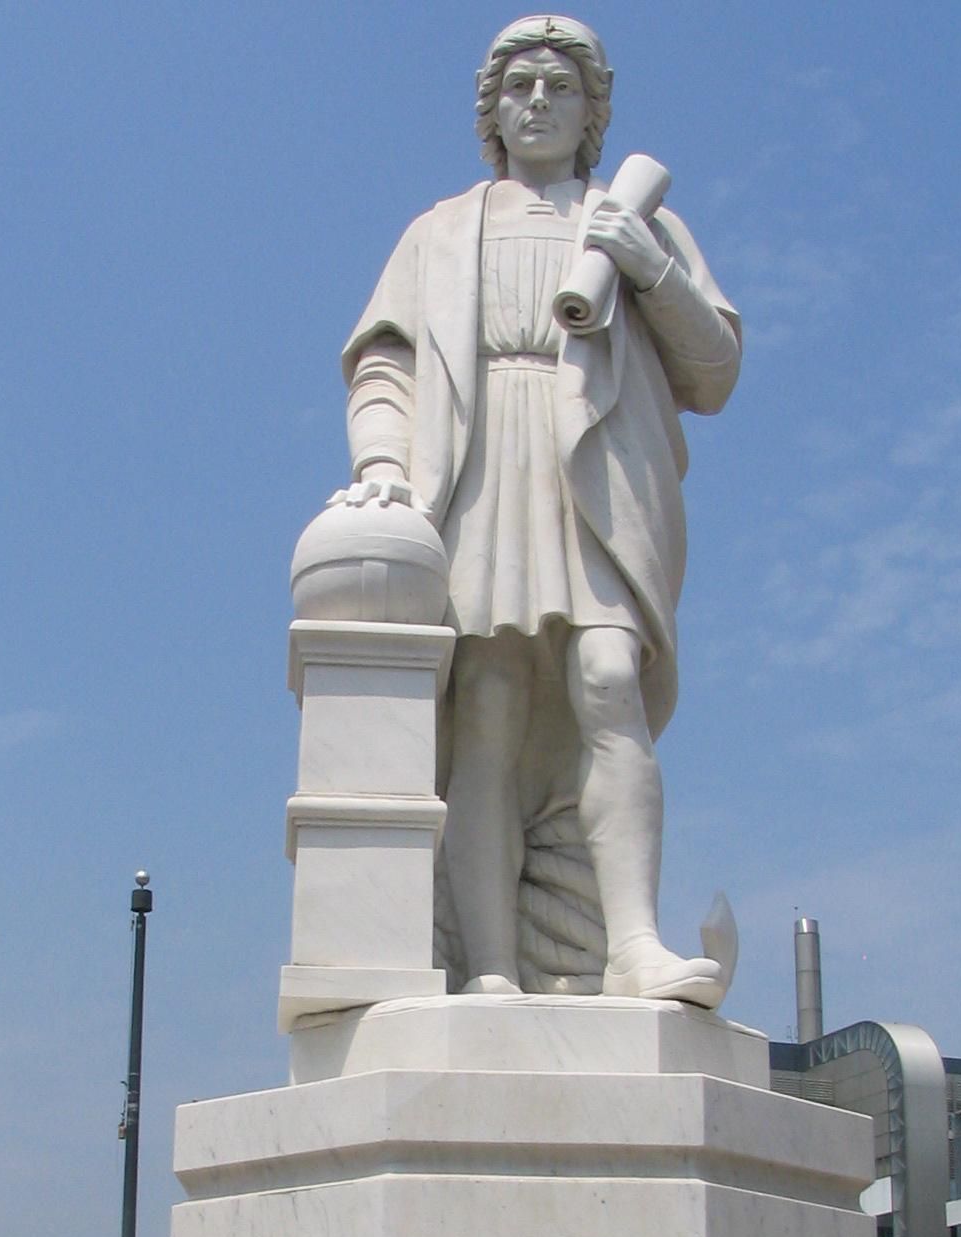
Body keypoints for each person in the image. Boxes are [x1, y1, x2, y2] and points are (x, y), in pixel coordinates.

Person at [341, 15, 740, 1004]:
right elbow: (385, 365)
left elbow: (715, 370)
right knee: (488, 703)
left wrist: (646, 266)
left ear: (591, 111)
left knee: (608, 678)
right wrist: (385, 462)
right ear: (492, 110)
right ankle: (490, 967)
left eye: (559, 87)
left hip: (597, 461)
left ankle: (633, 944)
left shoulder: (637, 221)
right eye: (520, 85)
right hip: (479, 463)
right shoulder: (439, 231)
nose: (538, 102)